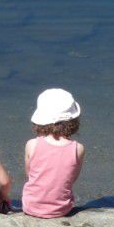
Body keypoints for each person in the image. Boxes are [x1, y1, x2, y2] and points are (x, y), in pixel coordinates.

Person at [22, 89, 85, 218]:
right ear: (73, 121)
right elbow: (72, 178)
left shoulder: (32, 144)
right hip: (61, 209)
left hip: (31, 207)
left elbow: (30, 174)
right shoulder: (78, 148)